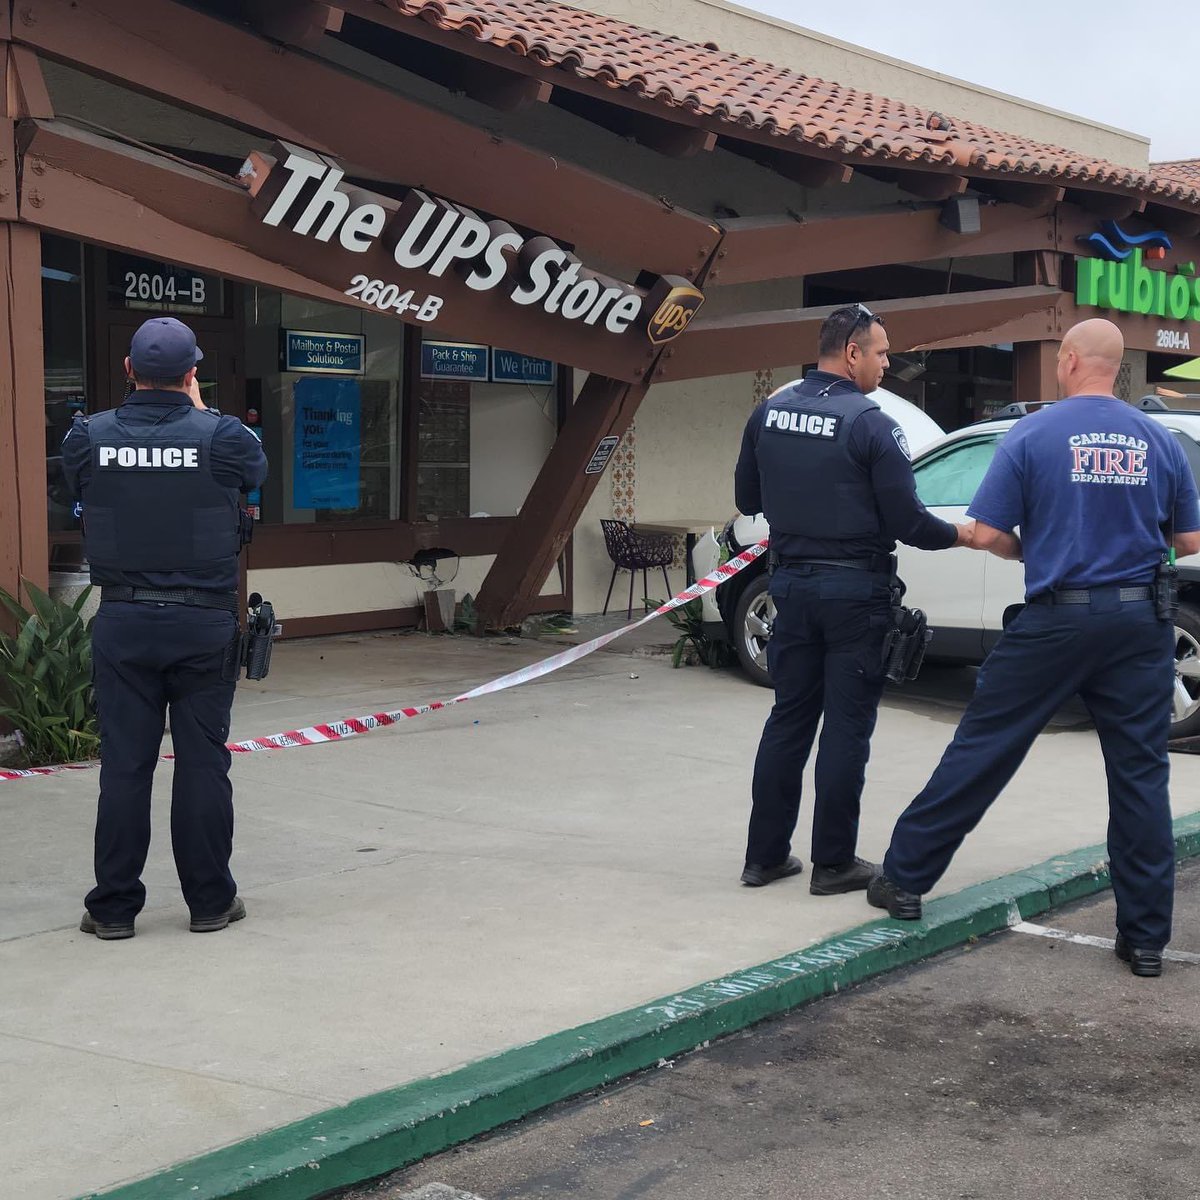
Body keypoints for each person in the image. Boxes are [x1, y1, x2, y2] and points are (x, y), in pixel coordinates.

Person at [869, 318, 1200, 978]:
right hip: (1140, 624)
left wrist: (1018, 543)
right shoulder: (1160, 443)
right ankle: (1145, 941)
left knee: (986, 745)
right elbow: (1189, 542)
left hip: (1056, 619)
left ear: (1072, 360)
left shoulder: (1033, 433)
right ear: (1118, 368)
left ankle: (905, 880)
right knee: (1140, 776)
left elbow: (990, 531)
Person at [735, 303, 973, 895]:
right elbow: (910, 521)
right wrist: (964, 533)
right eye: (882, 353)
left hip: (788, 586)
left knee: (788, 720)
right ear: (851, 354)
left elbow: (746, 498)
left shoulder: (767, 413)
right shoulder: (871, 424)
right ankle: (833, 863)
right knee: (845, 728)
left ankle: (764, 858)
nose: (887, 364)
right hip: (855, 595)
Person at [63, 317, 268, 940]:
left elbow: (81, 491)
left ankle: (113, 909)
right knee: (203, 762)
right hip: (203, 621)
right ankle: (209, 902)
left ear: (128, 371)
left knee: (125, 766)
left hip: (124, 618)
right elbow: (252, 473)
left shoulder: (86, 437)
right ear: (192, 373)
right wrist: (198, 408)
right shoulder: (226, 436)